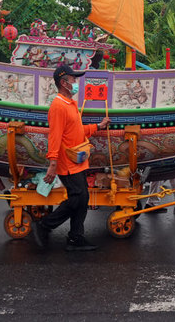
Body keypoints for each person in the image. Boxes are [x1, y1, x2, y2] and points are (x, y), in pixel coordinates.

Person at [32, 65, 110, 251]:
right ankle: (44, 225)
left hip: (79, 159)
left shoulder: (70, 104)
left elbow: (76, 130)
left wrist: (97, 127)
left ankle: (76, 238)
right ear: (63, 83)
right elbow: (55, 136)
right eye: (73, 79)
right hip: (67, 162)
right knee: (77, 198)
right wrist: (52, 163)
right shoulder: (58, 106)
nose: (76, 82)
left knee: (82, 199)